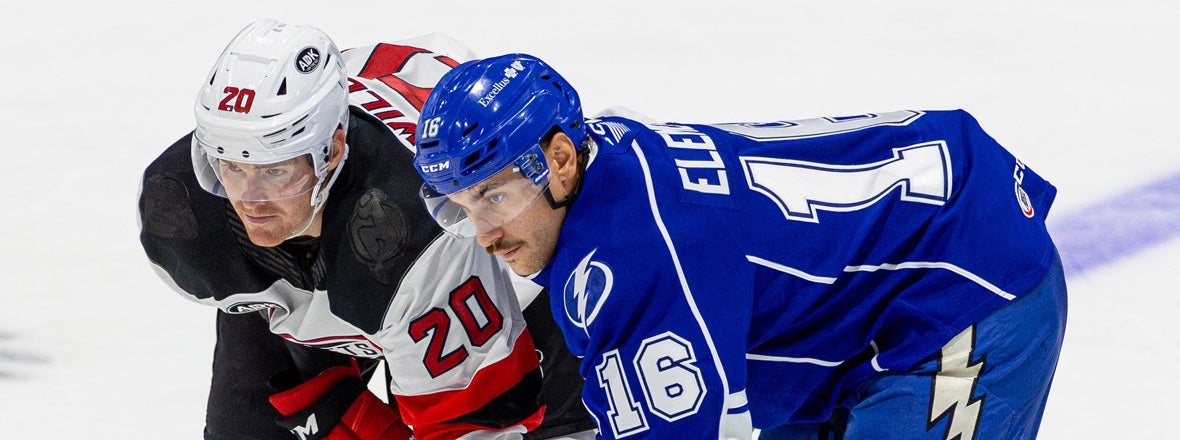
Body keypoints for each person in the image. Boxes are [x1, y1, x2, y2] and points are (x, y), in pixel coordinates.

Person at [411, 53, 1068, 440]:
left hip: (969, 280)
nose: (483, 234)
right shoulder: (598, 161)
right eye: (461, 206)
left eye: (493, 197)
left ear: (557, 160)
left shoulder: (636, 258)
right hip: (876, 297)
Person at [138, 21, 595, 440]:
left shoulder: (419, 230)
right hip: (361, 263)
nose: (250, 201)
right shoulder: (182, 209)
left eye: (276, 172)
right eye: (233, 167)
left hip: (458, 275)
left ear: (332, 150)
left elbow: (475, 428)